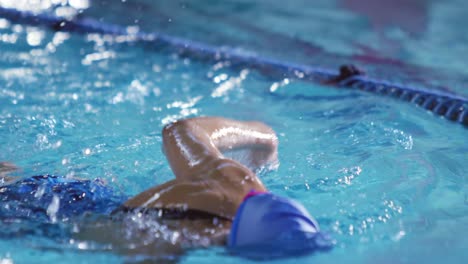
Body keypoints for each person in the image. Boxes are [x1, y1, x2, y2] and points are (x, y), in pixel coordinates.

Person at [0, 117, 332, 259]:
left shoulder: (238, 183)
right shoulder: (166, 242)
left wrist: (263, 138)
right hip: (38, 222)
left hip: (78, 194)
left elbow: (181, 131)